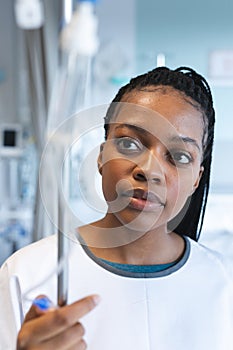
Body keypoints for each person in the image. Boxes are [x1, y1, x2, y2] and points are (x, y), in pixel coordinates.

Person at [1, 66, 233, 350]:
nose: (149, 171)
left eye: (179, 156)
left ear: (197, 178)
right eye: (129, 143)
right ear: (101, 156)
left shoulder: (224, 282)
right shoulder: (27, 275)